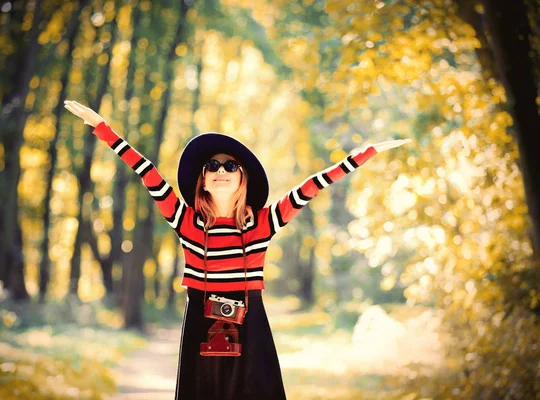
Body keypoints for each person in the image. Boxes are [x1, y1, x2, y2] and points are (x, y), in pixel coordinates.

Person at [64, 100, 411, 399]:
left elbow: (312, 186)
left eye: (230, 166)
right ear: (202, 180)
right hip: (202, 319)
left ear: (243, 178)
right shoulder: (186, 221)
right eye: (212, 166)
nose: (221, 171)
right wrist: (103, 129)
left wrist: (363, 155)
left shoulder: (263, 222)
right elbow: (148, 174)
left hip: (250, 319)